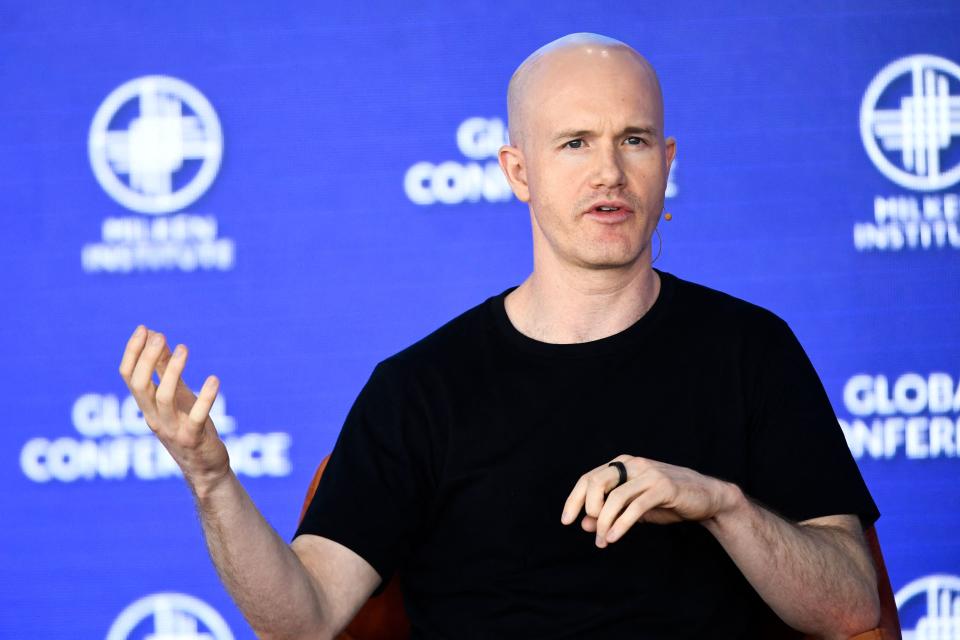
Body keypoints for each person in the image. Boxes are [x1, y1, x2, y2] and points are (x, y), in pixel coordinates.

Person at [119, 33, 881, 639]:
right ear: (518, 171)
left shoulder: (751, 349)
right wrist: (213, 482)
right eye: (575, 142)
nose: (609, 172)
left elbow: (852, 608)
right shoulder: (420, 388)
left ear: (668, 162)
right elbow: (305, 617)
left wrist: (721, 505)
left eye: (635, 140)